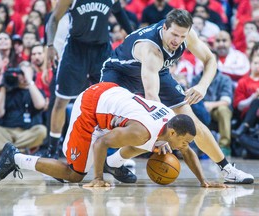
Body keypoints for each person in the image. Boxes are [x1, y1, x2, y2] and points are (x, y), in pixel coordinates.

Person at [101, 9, 254, 184]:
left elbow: (210, 59)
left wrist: (202, 86)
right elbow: (152, 95)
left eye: (182, 37)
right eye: (174, 35)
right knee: (145, 130)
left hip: (158, 72)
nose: (177, 41)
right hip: (121, 74)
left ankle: (227, 170)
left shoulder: (186, 34)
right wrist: (162, 127)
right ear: (164, 28)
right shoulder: (151, 49)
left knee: (192, 123)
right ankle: (82, 163)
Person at [0, 82, 226, 188]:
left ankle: (114, 163)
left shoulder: (170, 121)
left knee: (152, 145)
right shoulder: (140, 132)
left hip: (112, 93)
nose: (183, 147)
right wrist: (98, 177)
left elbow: (188, 152)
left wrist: (203, 182)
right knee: (75, 175)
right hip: (91, 107)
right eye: (183, 141)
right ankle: (15, 157)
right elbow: (101, 142)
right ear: (172, 131)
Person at [43, 0, 133, 159]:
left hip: (102, 50)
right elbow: (53, 19)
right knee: (61, 101)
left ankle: (112, 153)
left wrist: (133, 39)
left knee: (113, 100)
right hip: (76, 50)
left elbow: (120, 14)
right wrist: (49, 45)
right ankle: (52, 150)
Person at [0, 62, 47, 155]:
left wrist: (30, 80)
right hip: (6, 132)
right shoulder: (8, 90)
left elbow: (40, 104)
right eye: (21, 73)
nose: (23, 76)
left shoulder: (36, 91)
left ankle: (9, 150)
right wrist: (2, 87)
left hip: (27, 133)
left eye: (25, 73)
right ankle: (18, 151)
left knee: (42, 130)